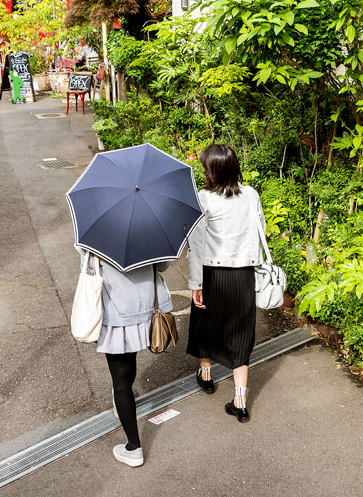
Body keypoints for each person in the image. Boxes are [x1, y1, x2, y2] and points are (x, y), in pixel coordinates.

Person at [186, 143, 265, 422]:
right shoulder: (251, 194)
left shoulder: (203, 198)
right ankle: (240, 402)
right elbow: (259, 231)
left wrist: (196, 283)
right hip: (243, 274)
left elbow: (197, 245)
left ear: (212, 170)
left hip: (212, 274)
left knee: (205, 327)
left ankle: (206, 377)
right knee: (241, 334)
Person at [86, 252, 173, 466]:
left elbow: (89, 270)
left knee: (121, 384)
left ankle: (133, 447)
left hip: (116, 312)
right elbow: (161, 265)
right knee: (130, 360)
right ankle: (122, 409)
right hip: (147, 309)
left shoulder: (97, 232)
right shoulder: (150, 224)